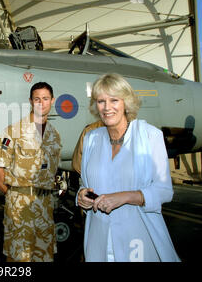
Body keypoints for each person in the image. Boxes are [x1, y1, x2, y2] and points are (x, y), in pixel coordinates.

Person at [76, 73, 180, 262]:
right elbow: (85, 181)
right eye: (101, 101)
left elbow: (164, 191)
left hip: (137, 237)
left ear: (126, 103)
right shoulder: (91, 138)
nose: (107, 107)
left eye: (114, 100)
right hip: (98, 238)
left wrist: (126, 197)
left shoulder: (150, 135)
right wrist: (81, 195)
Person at [0, 82, 61, 262]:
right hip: (20, 207)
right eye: (37, 99)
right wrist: (13, 195)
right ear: (30, 101)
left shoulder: (54, 135)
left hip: (45, 205)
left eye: (45, 99)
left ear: (52, 101)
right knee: (19, 258)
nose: (41, 103)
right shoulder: (14, 131)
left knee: (44, 257)